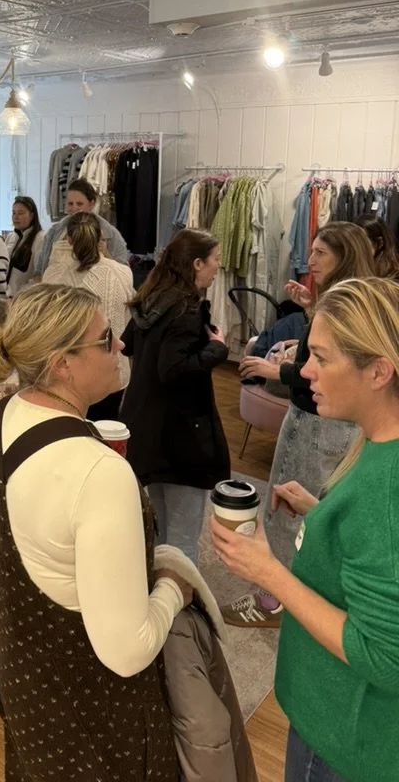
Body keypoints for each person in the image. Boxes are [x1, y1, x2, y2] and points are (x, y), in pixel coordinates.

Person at [0, 284, 190, 781]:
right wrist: (175, 586)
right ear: (62, 362)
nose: (122, 347)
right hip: (93, 710)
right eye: (106, 339)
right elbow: (127, 650)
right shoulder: (97, 472)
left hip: (26, 690)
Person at [212, 277, 399, 782]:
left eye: (321, 356)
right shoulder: (378, 445)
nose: (303, 370)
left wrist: (268, 573)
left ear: (379, 370)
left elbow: (384, 656)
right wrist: (320, 512)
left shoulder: (387, 487)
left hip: (342, 738)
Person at [226, 221, 375, 626]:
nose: (309, 259)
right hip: (328, 422)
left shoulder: (345, 306)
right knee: (311, 503)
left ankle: (273, 600)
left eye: (320, 253)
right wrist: (311, 309)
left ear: (342, 256)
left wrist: (278, 371)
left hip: (318, 424)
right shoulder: (354, 300)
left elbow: (331, 371)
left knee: (288, 506)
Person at [120, 228, 229, 565]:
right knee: (182, 540)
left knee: (161, 528)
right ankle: (180, 607)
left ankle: (157, 596)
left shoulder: (152, 298)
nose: (217, 268)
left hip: (148, 427)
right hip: (181, 435)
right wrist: (217, 349)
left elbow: (130, 344)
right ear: (197, 263)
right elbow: (174, 370)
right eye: (214, 261)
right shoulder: (186, 309)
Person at [43, 211, 133, 419]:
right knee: (106, 433)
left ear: (68, 240)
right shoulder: (122, 274)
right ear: (100, 239)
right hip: (112, 369)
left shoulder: (53, 275)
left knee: (71, 433)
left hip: (68, 373)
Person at [34, 178, 128, 278]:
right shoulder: (54, 231)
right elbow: (39, 270)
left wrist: (106, 253)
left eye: (79, 204)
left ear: (91, 204)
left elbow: (124, 274)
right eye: (70, 204)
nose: (74, 208)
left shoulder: (112, 235)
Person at [5, 195, 44, 297]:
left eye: (21, 213)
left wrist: (21, 294)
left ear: (32, 216)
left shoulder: (40, 238)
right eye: (13, 213)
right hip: (7, 296)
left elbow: (39, 276)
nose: (16, 217)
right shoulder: (11, 237)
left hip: (24, 298)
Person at [354, 213, 399, 278]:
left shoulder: (394, 276)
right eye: (353, 241)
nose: (356, 247)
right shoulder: (353, 268)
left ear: (379, 243)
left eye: (362, 242)